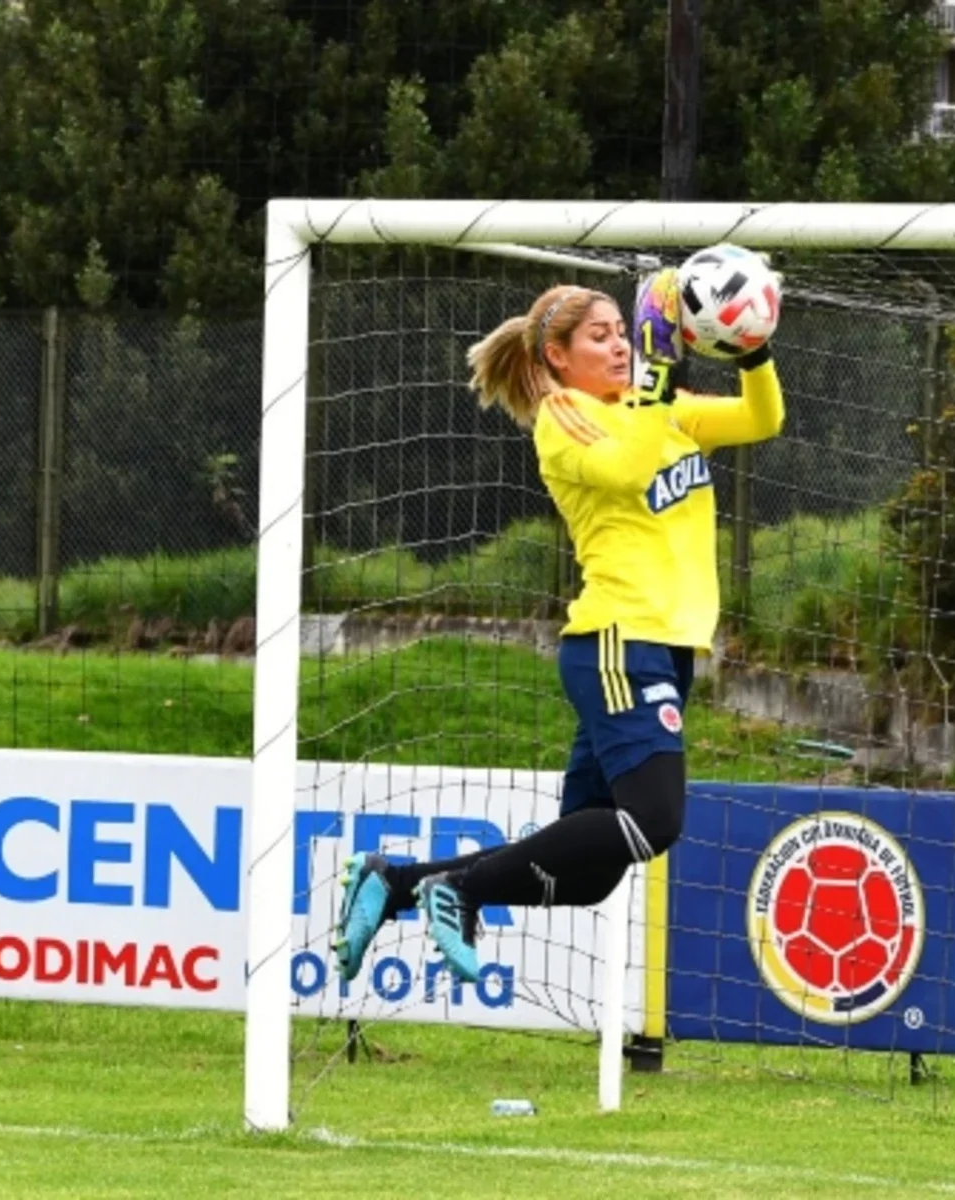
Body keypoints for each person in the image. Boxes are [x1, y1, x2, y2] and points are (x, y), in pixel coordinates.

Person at [332, 268, 785, 984]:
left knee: (587, 875)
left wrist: (754, 347)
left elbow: (763, 420)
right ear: (557, 357)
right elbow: (630, 469)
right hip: (617, 643)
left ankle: (397, 880)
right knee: (654, 823)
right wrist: (661, 371)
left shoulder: (659, 406)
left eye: (621, 334)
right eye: (600, 337)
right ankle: (462, 891)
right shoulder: (567, 416)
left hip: (666, 649)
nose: (620, 347)